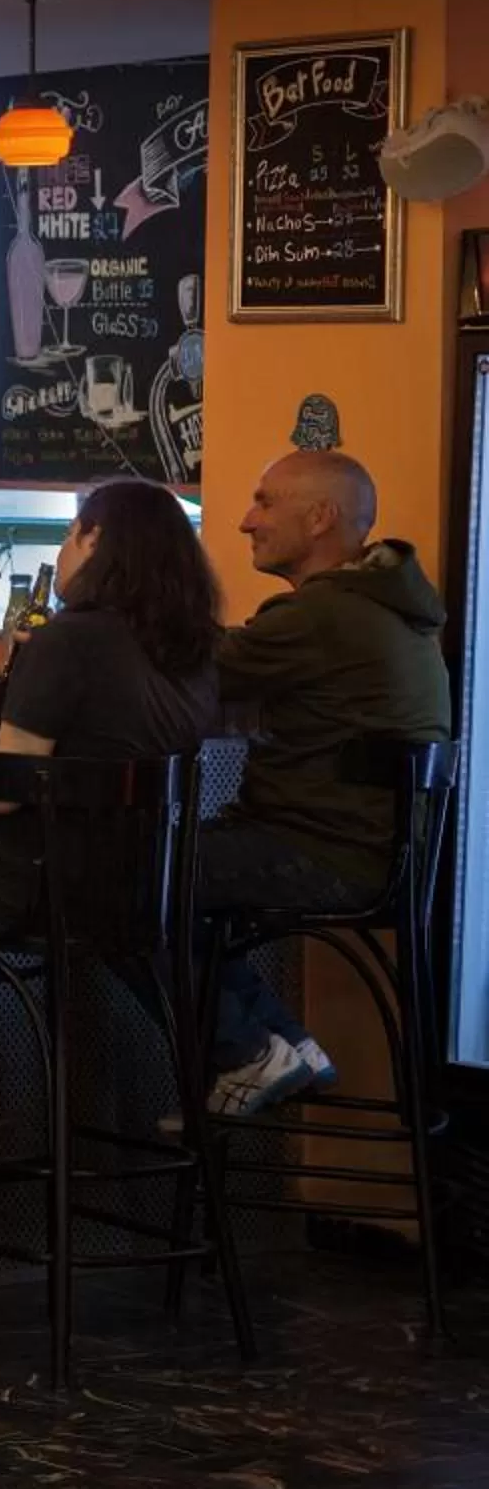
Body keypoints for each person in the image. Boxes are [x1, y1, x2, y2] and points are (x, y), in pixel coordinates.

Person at [0, 479, 220, 1144]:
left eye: (69, 533)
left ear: (97, 541)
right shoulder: (195, 651)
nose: (62, 549)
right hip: (134, 883)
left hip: (33, 878)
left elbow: (5, 790)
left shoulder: (71, 640)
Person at [199, 450, 449, 1116]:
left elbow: (188, 679)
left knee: (122, 873)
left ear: (319, 518)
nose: (246, 520)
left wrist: (35, 653)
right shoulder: (387, 608)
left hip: (324, 857)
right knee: (164, 870)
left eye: (264, 502)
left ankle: (251, 1051)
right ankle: (283, 1045)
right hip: (379, 860)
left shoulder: (324, 615)